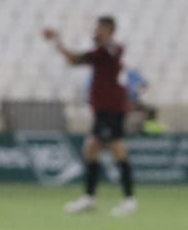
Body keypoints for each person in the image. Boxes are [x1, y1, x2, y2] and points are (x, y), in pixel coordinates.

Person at [42, 17, 136, 216]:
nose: (96, 31)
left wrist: (98, 40)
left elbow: (102, 52)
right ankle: (89, 198)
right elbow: (73, 60)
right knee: (91, 149)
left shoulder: (113, 50)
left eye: (100, 28)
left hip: (113, 109)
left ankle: (128, 200)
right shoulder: (100, 53)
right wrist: (57, 42)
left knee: (117, 149)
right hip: (103, 109)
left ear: (109, 30)